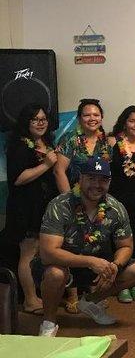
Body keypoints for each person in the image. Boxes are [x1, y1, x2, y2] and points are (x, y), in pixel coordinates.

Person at [33, 156, 135, 337]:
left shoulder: (115, 207)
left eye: (103, 179)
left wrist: (114, 266)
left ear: (109, 182)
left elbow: (125, 246)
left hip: (98, 266)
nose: (97, 184)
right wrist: (90, 261)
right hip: (62, 264)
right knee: (55, 274)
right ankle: (49, 322)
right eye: (91, 178)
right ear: (80, 179)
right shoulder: (60, 205)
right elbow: (48, 253)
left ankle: (90, 302)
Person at [54, 98, 112, 313]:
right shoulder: (71, 140)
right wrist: (69, 199)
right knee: (72, 245)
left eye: (96, 115)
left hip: (98, 201)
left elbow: (108, 173)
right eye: (87, 115)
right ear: (80, 118)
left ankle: (93, 292)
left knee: (98, 243)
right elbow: (59, 170)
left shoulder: (106, 143)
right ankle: (72, 294)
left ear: (101, 118)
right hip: (74, 199)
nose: (92, 118)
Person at [3, 105, 58, 315]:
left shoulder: (47, 143)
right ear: (26, 122)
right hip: (25, 208)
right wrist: (46, 165)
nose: (40, 122)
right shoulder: (19, 146)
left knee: (42, 252)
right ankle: (30, 300)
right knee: (28, 251)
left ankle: (42, 294)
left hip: (44, 206)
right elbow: (18, 179)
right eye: (35, 119)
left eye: (43, 118)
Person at [108, 106, 135, 303]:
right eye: (132, 121)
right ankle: (119, 284)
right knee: (118, 243)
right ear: (124, 122)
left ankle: (134, 282)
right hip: (116, 202)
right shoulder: (113, 143)